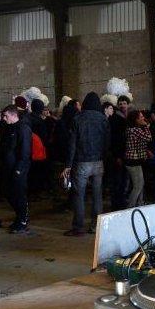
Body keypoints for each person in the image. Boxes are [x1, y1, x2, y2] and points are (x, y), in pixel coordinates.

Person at [63, 92, 108, 237]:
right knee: (97, 195)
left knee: (79, 195)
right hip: (98, 162)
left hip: (82, 162)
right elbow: (108, 142)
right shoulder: (103, 119)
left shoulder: (78, 119)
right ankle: (96, 226)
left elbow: (72, 144)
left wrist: (68, 165)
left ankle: (78, 227)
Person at [0, 105, 32, 234]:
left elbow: (25, 151)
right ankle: (20, 217)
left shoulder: (23, 129)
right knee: (8, 192)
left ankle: (22, 220)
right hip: (9, 167)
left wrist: (19, 169)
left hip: (19, 168)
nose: (4, 118)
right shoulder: (10, 128)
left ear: (14, 115)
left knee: (18, 194)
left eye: (6, 116)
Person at [123, 109, 152, 208]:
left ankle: (139, 204)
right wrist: (146, 126)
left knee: (140, 183)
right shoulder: (135, 129)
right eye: (141, 117)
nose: (143, 118)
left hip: (133, 160)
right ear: (135, 120)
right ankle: (130, 207)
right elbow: (148, 138)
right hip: (133, 160)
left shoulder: (131, 129)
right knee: (138, 186)